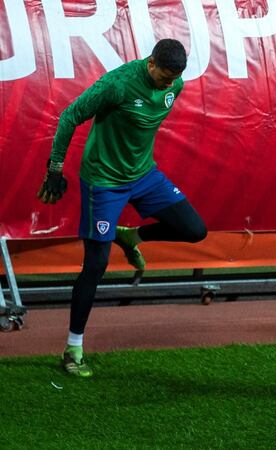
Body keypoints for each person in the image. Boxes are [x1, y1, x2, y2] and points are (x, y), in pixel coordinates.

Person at [36, 39, 207, 377]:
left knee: (194, 230)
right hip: (104, 181)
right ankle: (73, 350)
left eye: (173, 79)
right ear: (151, 64)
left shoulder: (175, 83)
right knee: (96, 265)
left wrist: (170, 83)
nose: (168, 85)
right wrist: (55, 169)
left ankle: (131, 237)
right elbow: (70, 116)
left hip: (145, 176)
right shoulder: (117, 85)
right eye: (163, 78)